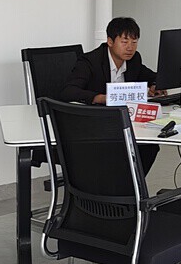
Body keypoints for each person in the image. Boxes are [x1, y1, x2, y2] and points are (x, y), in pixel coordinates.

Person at [60, 17, 161, 172]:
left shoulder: (134, 59)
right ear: (110, 41)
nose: (130, 47)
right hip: (94, 121)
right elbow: (69, 91)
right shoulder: (90, 61)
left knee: (149, 146)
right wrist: (101, 98)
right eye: (124, 42)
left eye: (134, 42)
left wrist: (155, 85)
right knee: (121, 148)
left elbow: (151, 76)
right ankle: (119, 184)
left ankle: (129, 185)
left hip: (123, 119)